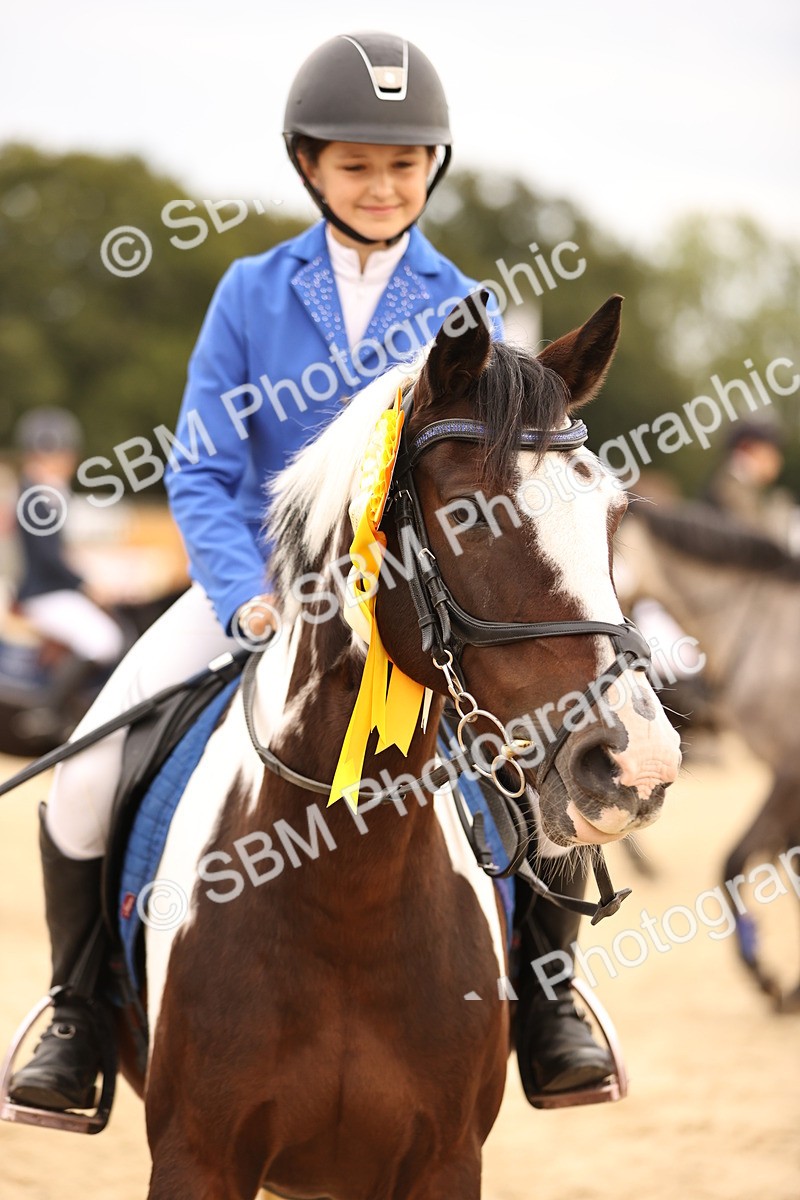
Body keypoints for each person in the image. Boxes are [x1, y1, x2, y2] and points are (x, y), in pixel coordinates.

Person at [8, 31, 614, 1114]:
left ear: (433, 166)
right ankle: (77, 1013)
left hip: (412, 608)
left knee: (532, 766)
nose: (381, 186)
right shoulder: (248, 290)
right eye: (354, 164)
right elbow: (199, 467)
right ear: (308, 168)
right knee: (85, 775)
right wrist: (246, 594)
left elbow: (503, 488)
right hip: (252, 587)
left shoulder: (466, 303)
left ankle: (549, 1000)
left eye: (402, 164)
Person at [12, 408, 126, 739]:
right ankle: (46, 711)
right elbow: (50, 558)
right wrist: (87, 586)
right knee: (104, 641)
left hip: (56, 591)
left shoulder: (50, 493)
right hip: (44, 594)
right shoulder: (35, 496)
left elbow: (63, 551)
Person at [704, 418, 799, 552]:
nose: (778, 459)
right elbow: (757, 536)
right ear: (747, 447)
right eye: (772, 450)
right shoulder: (730, 487)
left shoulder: (741, 486)